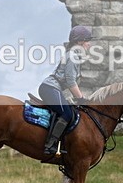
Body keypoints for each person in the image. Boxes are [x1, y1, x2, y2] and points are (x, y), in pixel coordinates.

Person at [38, 26, 93, 156]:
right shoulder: (73, 57)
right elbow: (70, 81)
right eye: (87, 41)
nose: (89, 44)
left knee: (68, 111)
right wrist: (80, 98)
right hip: (50, 88)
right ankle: (50, 145)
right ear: (79, 42)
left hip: (52, 88)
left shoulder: (74, 56)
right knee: (67, 114)